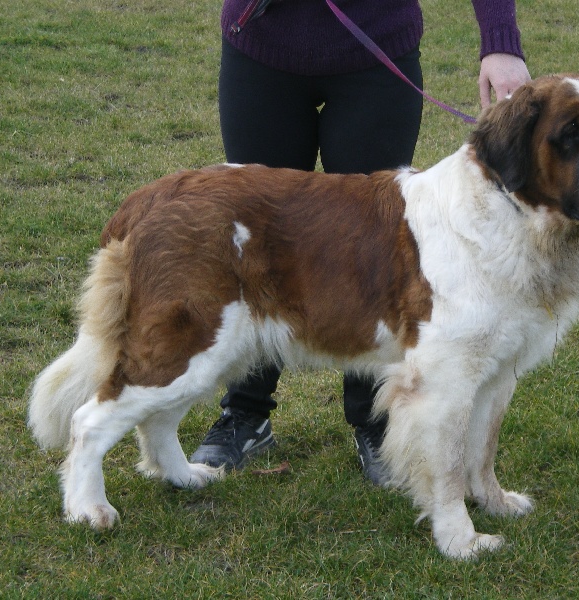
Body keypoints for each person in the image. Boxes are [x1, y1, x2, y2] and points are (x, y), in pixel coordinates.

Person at [190, 0, 531, 484]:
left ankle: (374, 420)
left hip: (375, 50)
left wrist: (499, 40)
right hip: (262, 45)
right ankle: (245, 414)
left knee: (371, 247)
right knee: (261, 244)